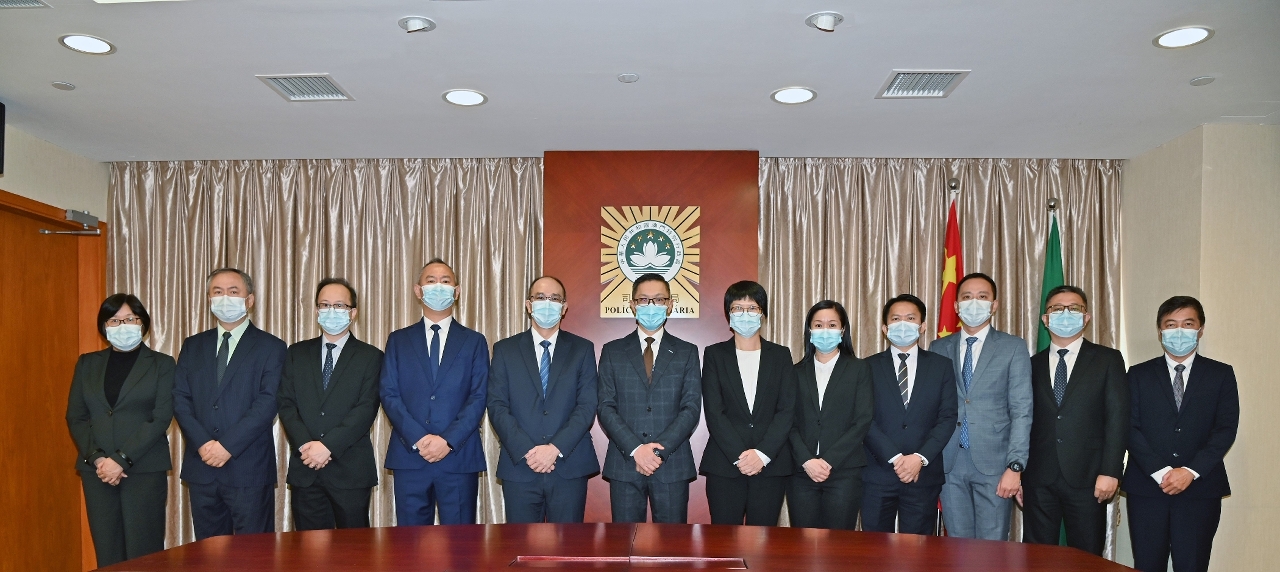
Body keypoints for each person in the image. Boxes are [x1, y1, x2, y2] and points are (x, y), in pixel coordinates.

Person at [1123, 296, 1239, 572]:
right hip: (1147, 488)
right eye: (1171, 324)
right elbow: (1128, 426)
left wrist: (1190, 471)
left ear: (1200, 329)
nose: (1179, 331)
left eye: (1187, 324)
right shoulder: (1137, 374)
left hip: (1200, 489)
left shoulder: (1221, 374)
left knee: (1193, 565)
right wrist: (1161, 471)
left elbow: (1225, 429)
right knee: (1147, 564)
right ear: (1160, 331)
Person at [173, 268, 287, 539]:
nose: (225, 298)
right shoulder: (192, 345)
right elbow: (180, 398)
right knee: (209, 553)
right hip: (202, 467)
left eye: (233, 292)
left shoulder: (272, 347)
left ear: (250, 300)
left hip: (248, 468)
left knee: (254, 554)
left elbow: (268, 402)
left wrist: (227, 446)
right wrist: (204, 444)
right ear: (209, 299)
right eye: (218, 292)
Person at [66, 294, 175, 567]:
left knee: (144, 553)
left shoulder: (162, 364)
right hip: (98, 472)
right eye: (114, 320)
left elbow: (161, 417)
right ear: (104, 326)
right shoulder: (87, 363)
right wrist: (98, 459)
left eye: (130, 319)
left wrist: (121, 459)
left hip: (144, 469)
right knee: (107, 551)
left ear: (142, 323)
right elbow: (76, 417)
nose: (122, 325)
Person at [380, 258, 489, 526]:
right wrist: (419, 438)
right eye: (431, 281)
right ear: (418, 290)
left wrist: (447, 441)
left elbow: (479, 396)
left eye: (445, 281)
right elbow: (389, 393)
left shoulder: (474, 341)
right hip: (410, 456)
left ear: (457, 291)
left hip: (458, 457)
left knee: (461, 543)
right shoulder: (398, 340)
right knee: (410, 543)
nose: (438, 286)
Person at [1022, 285, 1127, 555]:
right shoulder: (1029, 364)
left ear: (1086, 317)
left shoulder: (1108, 359)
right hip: (1038, 478)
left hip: (1089, 477)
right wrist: (1018, 472)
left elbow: (1117, 418)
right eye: (1057, 309)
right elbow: (1020, 420)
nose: (1066, 314)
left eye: (1074, 308)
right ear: (1045, 319)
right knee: (1037, 558)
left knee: (1087, 557)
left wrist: (1111, 471)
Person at [487, 276, 599, 523]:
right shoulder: (505, 349)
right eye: (540, 297)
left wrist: (555, 449)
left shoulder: (582, 349)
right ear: (529, 305)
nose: (547, 303)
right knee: (520, 543)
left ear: (564, 307)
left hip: (569, 466)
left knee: (569, 544)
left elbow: (587, 405)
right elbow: (497, 405)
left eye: (554, 298)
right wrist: (529, 451)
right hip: (520, 466)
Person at [929, 272, 1032, 541]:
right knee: (957, 546)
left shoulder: (1013, 347)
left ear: (994, 305)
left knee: (992, 548)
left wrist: (1015, 466)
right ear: (956, 306)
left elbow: (1022, 411)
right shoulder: (938, 347)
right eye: (967, 297)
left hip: (996, 464)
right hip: (950, 463)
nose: (974, 303)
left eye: (982, 296)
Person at [277, 278, 384, 530]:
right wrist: (307, 446)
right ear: (316, 310)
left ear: (353, 313)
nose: (331, 311)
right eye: (324, 305)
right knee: (309, 549)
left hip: (351, 470)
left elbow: (366, 408)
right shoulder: (296, 353)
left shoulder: (371, 356)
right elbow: (286, 404)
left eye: (339, 305)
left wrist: (328, 447)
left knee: (355, 549)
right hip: (306, 468)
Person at [597, 273, 702, 523]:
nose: (651, 306)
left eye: (659, 300)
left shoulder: (687, 351)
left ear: (670, 305)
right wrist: (636, 450)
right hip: (624, 463)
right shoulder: (612, 351)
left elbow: (690, 408)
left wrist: (656, 452)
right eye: (643, 300)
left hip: (672, 464)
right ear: (632, 305)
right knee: (624, 543)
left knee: (672, 543)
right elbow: (605, 406)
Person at [699, 280, 796, 525]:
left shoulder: (781, 355)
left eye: (752, 308)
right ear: (728, 314)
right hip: (725, 464)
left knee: (763, 541)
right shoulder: (714, 354)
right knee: (724, 541)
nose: (745, 314)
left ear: (762, 313)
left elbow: (786, 410)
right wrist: (739, 456)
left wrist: (762, 454)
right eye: (737, 308)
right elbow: (714, 411)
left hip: (770, 465)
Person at [861, 294, 958, 535]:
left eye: (910, 318)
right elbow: (864, 418)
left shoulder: (941, 366)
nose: (903, 324)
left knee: (918, 550)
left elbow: (947, 417)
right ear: (885, 328)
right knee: (873, 549)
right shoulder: (866, 367)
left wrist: (919, 458)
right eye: (896, 319)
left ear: (922, 326)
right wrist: (895, 458)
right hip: (877, 474)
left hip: (923, 475)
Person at [786, 300, 873, 530]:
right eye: (818, 325)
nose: (825, 330)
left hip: (844, 471)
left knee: (838, 544)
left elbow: (862, 420)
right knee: (803, 543)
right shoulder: (794, 371)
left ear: (842, 330)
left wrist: (828, 461)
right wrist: (807, 460)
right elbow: (788, 421)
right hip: (802, 473)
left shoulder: (859, 369)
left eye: (832, 324)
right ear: (810, 330)